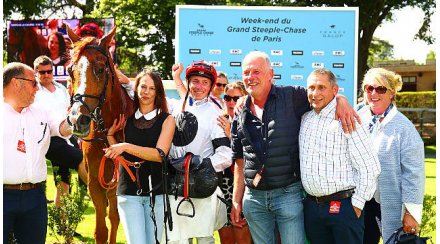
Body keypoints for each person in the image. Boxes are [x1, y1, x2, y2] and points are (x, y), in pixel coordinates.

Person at [230, 51, 359, 244]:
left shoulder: (292, 96)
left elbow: (321, 95)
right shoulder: (240, 112)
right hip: (254, 198)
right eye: (246, 73)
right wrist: (236, 200)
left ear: (271, 74)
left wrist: (341, 99)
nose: (251, 77)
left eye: (256, 71)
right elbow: (240, 161)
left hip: (288, 195)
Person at [299, 68, 381, 243]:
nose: (315, 93)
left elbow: (370, 167)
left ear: (335, 90)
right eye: (311, 88)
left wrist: (357, 205)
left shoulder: (348, 119)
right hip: (312, 209)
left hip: (344, 208)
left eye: (321, 87)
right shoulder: (305, 119)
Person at [3, 62, 74, 243]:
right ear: (16, 83)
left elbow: (63, 128)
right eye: (33, 82)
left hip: (35, 198)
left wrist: (75, 119)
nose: (37, 88)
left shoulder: (41, 112)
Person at [103, 69, 175, 244]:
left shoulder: (167, 120)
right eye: (143, 87)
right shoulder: (126, 118)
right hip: (128, 192)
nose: (146, 92)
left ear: (158, 92)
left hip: (157, 193)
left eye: (152, 88)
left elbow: (159, 155)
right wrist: (111, 137)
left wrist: (125, 146)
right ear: (136, 89)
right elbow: (121, 155)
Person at [167, 60, 233, 244]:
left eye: (205, 82)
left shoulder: (216, 112)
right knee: (177, 239)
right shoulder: (174, 106)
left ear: (211, 86)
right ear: (188, 82)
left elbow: (225, 155)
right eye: (195, 81)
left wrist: (202, 165)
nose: (199, 86)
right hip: (175, 184)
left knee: (204, 238)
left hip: (203, 185)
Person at [357, 68, 425, 243]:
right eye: (369, 88)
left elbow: (414, 174)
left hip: (390, 204)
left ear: (392, 93)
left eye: (380, 89)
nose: (374, 93)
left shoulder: (404, 128)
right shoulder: (358, 117)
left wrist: (411, 212)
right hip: (359, 203)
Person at [33, 56, 87, 220]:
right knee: (82, 161)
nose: (46, 75)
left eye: (49, 71)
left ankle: (64, 226)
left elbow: (69, 112)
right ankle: (101, 195)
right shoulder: (34, 93)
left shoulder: (61, 90)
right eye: (42, 72)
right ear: (36, 72)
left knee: (63, 183)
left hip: (66, 137)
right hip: (48, 140)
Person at [216, 81, 253, 244]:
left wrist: (230, 134)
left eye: (235, 98)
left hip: (242, 187)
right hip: (221, 187)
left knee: (242, 234)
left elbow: (250, 154)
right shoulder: (219, 119)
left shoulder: (251, 119)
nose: (231, 102)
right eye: (227, 98)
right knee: (226, 238)